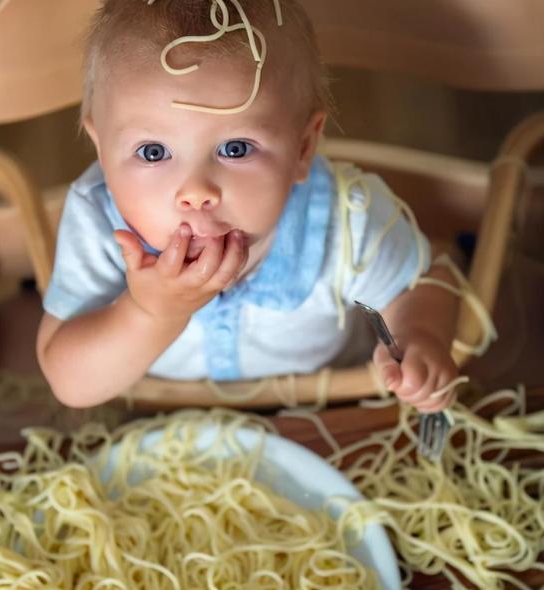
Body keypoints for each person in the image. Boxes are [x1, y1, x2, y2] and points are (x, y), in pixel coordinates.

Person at [37, 0, 459, 410]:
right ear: (102, 149)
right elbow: (69, 383)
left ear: (303, 147)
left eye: (235, 148)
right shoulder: (99, 223)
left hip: (324, 407)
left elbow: (416, 286)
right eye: (152, 152)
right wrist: (150, 312)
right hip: (159, 416)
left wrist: (421, 336)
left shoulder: (346, 216)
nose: (196, 190)